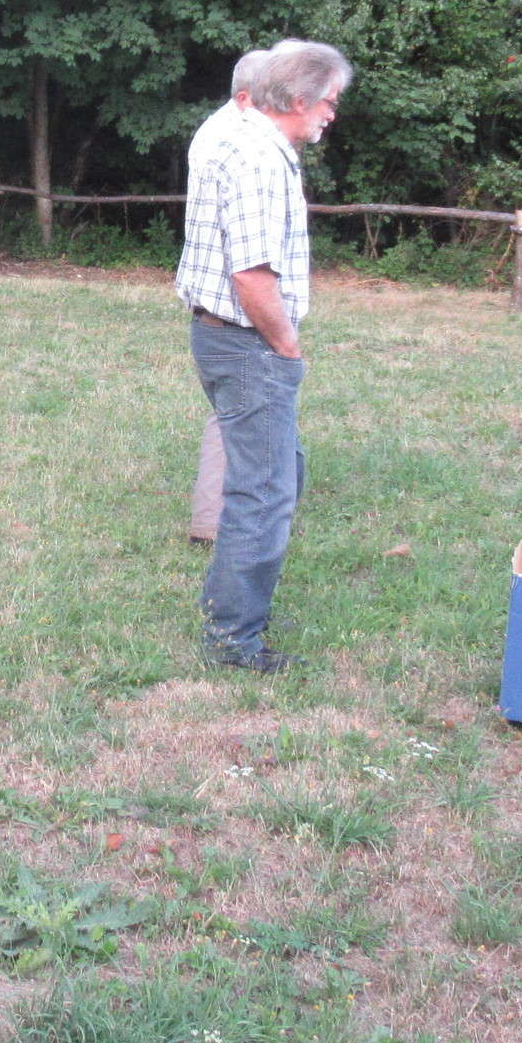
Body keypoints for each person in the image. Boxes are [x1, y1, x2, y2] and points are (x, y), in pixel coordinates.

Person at [175, 39, 351, 672]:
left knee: (277, 474)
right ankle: (233, 638)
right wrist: (286, 345)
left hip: (227, 337)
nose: (332, 113)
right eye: (329, 101)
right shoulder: (259, 156)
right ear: (299, 99)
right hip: (248, 343)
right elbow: (251, 275)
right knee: (264, 492)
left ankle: (238, 605)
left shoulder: (246, 137)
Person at [188, 47, 276, 546]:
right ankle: (217, 526)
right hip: (236, 314)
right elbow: (248, 264)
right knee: (236, 420)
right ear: (247, 96)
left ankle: (255, 511)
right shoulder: (241, 144)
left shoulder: (215, 130)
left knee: (245, 415)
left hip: (216, 311)